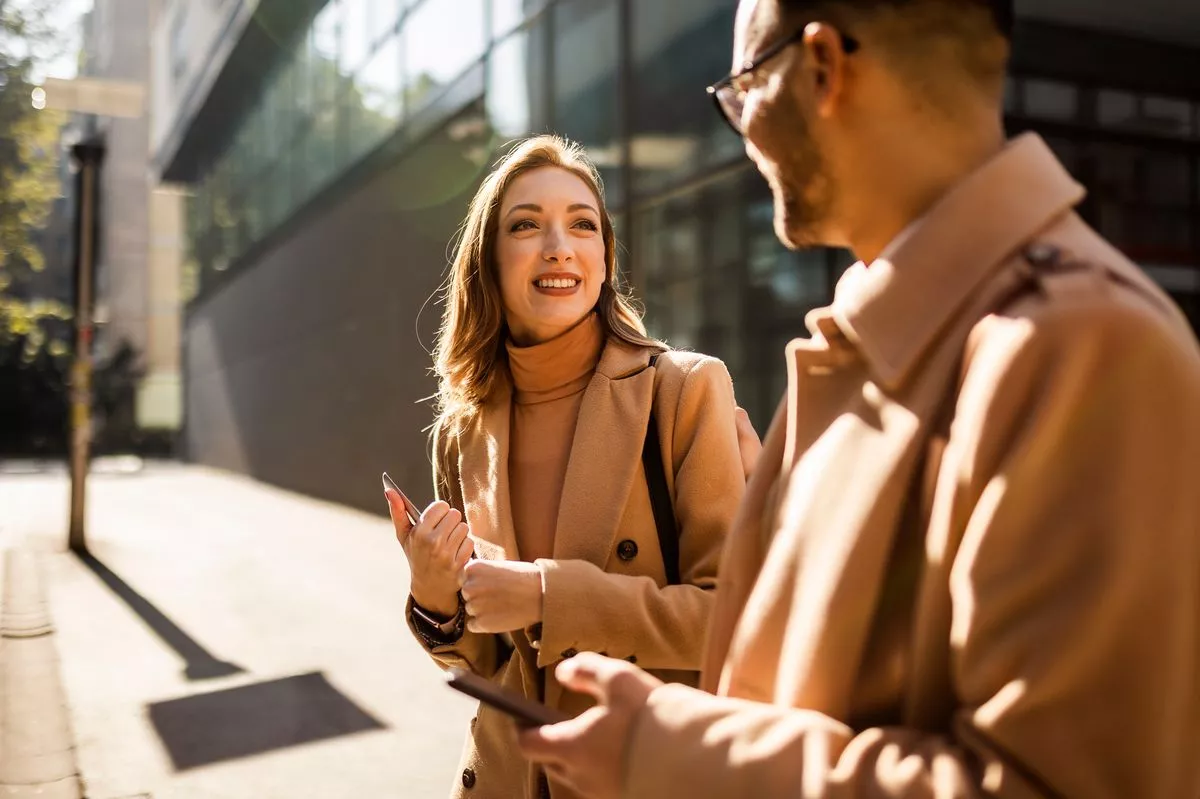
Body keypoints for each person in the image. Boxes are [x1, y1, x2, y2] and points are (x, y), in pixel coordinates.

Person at [517, 1, 1200, 797]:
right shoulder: (878, 340)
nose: (743, 132)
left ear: (820, 71)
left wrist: (671, 752)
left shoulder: (1084, 346)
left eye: (742, 90)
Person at [385, 134, 756, 799]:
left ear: (605, 258)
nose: (559, 245)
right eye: (526, 225)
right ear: (489, 262)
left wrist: (550, 595)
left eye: (582, 224)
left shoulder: (683, 390)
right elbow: (496, 659)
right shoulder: (463, 430)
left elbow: (730, 617)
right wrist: (436, 598)